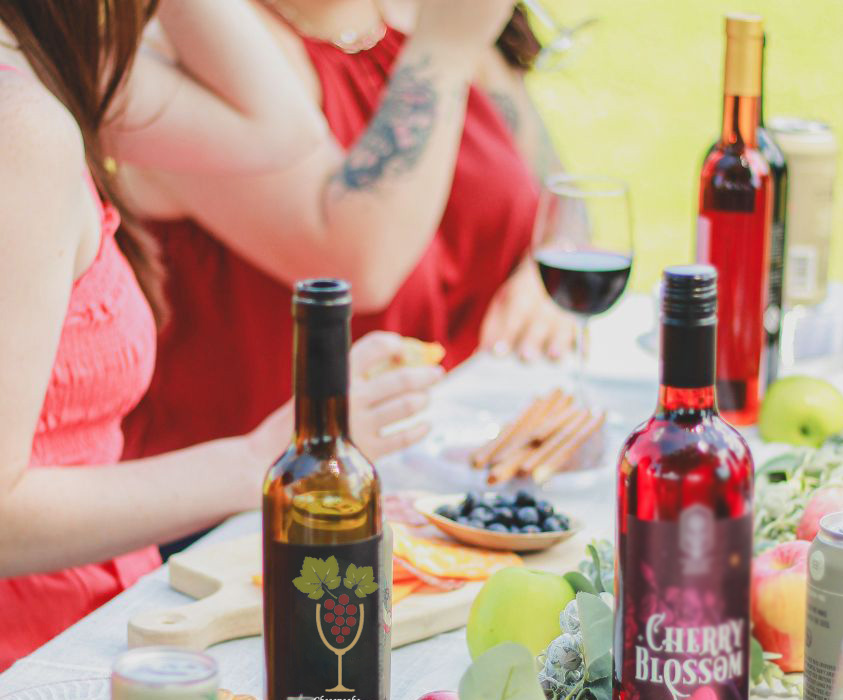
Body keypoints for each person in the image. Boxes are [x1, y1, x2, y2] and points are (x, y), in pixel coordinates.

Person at [0, 0, 438, 670]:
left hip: (103, 620)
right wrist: (259, 458)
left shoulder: (48, 60)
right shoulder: (24, 131)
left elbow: (281, 129)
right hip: (38, 659)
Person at [119, 0, 575, 463]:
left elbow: (561, 196)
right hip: (281, 486)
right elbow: (359, 269)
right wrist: (444, 51)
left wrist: (544, 275)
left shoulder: (421, 10)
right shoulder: (191, 44)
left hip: (472, 453)